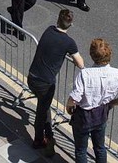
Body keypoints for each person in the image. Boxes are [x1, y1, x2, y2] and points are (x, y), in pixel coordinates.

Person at [27, 9, 84, 155]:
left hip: (32, 77)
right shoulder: (69, 42)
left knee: (45, 108)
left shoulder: (48, 30)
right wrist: (70, 54)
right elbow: (80, 64)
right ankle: (39, 140)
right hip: (45, 84)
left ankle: (49, 135)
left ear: (57, 20)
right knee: (41, 112)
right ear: (70, 25)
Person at [66, 38, 118, 163]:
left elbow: (74, 98)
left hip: (83, 117)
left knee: (81, 150)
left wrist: (69, 107)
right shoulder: (117, 74)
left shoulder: (85, 74)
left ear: (92, 55)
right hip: (101, 114)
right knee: (100, 148)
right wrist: (111, 103)